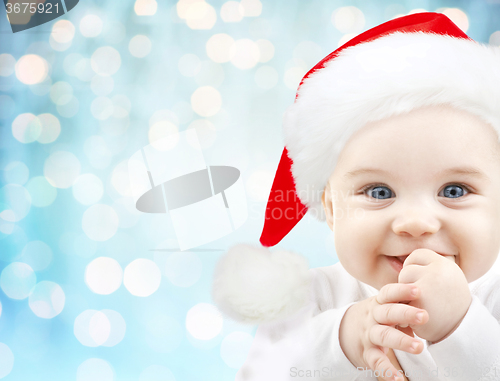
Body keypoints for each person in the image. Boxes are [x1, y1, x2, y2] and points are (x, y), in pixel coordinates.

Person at [212, 12, 500, 381]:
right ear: (331, 208)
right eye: (380, 192)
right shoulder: (313, 298)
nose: (415, 222)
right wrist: (344, 340)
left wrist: (459, 327)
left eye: (454, 191)